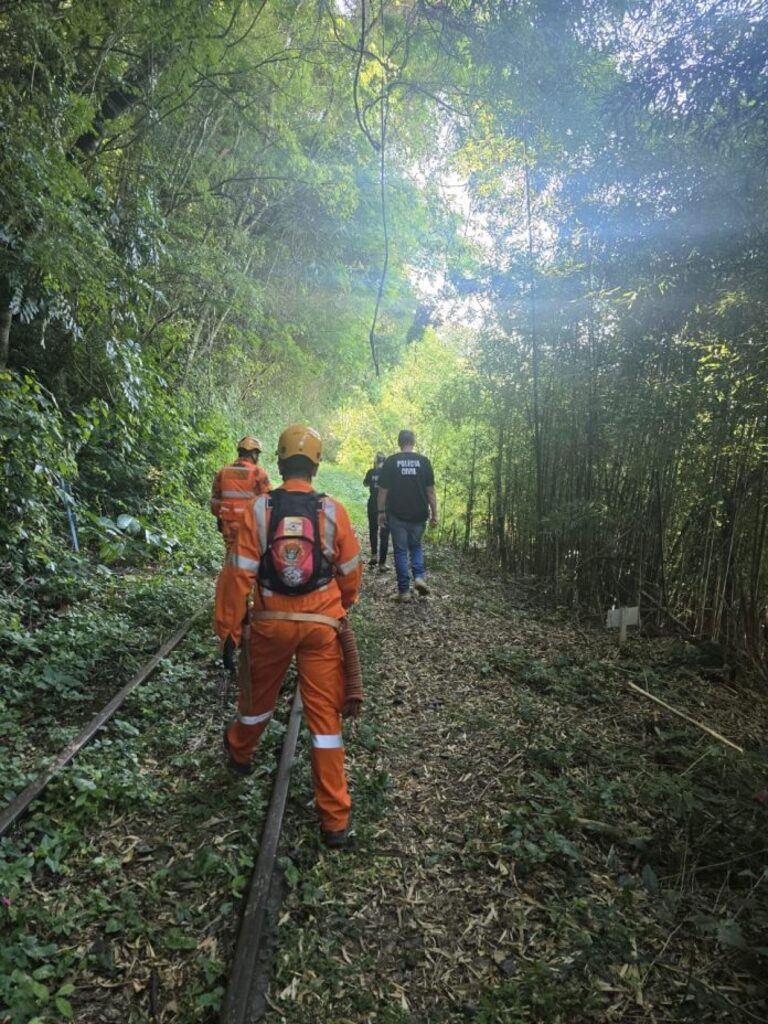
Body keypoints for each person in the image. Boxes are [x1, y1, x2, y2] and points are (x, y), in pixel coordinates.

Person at [214, 425, 363, 848]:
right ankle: (334, 821)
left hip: (270, 624)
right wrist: (338, 610)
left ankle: (240, 754)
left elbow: (237, 572)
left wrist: (228, 629)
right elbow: (351, 573)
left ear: (278, 462)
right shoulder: (332, 511)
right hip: (320, 627)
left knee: (257, 702)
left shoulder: (259, 510)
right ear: (316, 464)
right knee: (325, 723)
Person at [377, 430, 438, 602]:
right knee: (416, 546)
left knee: (401, 551)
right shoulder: (424, 462)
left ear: (399, 442)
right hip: (419, 514)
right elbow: (430, 492)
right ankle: (419, 577)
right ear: (414, 441)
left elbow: (382, 491)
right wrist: (435, 514)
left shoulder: (391, 461)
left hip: (397, 514)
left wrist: (380, 512)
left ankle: (403, 592)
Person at [210, 436, 271, 551]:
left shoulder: (223, 472)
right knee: (248, 556)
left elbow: (215, 501)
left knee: (230, 554)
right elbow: (267, 502)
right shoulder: (258, 473)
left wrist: (219, 519)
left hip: (228, 525)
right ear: (254, 454)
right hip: (249, 526)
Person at [363, 452, 390, 572]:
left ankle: (374, 555)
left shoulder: (371, 472)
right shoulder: (388, 473)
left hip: (372, 504)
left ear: (375, 461)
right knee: (384, 534)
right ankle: (382, 563)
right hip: (385, 506)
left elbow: (365, 483)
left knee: (373, 530)